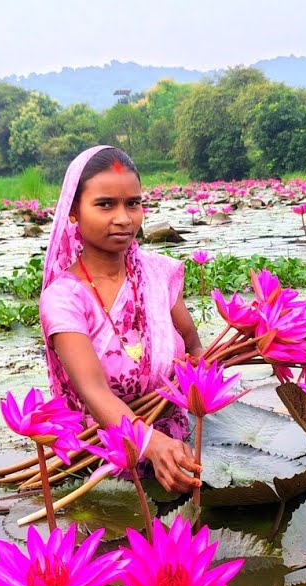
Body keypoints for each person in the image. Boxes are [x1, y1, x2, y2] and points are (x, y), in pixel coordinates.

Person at [39, 145, 202, 493]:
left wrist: (201, 404)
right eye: (105, 204)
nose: (124, 218)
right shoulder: (64, 299)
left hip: (178, 441)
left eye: (133, 203)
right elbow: (93, 390)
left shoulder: (159, 274)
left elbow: (194, 346)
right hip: (102, 457)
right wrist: (153, 445)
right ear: (72, 212)